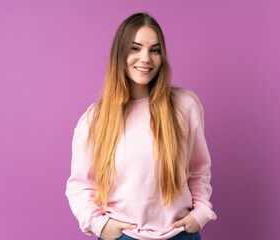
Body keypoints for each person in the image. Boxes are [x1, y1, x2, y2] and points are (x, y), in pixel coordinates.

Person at [65, 12, 217, 240]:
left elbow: (198, 169)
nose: (145, 58)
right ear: (120, 54)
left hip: (180, 234)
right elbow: (80, 185)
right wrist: (99, 224)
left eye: (154, 50)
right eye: (135, 48)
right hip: (122, 236)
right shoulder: (94, 119)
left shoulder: (185, 106)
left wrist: (201, 213)